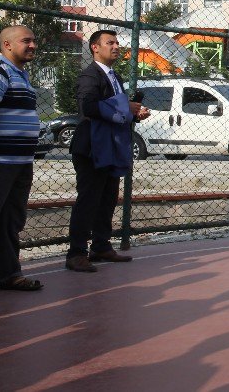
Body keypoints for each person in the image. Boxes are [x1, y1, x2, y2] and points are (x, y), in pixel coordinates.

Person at [66, 29, 150, 273]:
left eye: (117, 42)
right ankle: (76, 253)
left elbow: (115, 112)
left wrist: (134, 113)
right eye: (110, 43)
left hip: (111, 147)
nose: (116, 47)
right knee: (88, 200)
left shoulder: (115, 76)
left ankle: (101, 245)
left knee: (107, 199)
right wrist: (126, 105)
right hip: (92, 148)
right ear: (95, 47)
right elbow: (89, 107)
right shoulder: (89, 76)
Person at [0, 26, 44, 302]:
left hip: (20, 162)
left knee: (11, 220)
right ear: (7, 45)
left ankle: (9, 274)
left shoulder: (22, 75)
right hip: (1, 162)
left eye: (33, 41)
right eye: (26, 41)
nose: (32, 45)